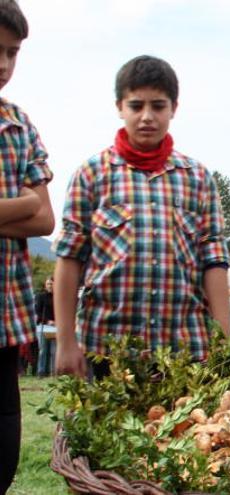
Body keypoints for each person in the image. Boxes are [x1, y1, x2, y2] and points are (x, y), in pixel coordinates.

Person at [54, 55, 230, 380]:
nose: (147, 117)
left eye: (158, 106)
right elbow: (69, 259)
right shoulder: (92, 175)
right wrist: (66, 341)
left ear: (174, 108)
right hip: (106, 347)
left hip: (183, 350)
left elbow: (214, 260)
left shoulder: (198, 179)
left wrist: (225, 338)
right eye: (136, 106)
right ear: (119, 107)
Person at [0, 1, 55, 490]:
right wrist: (17, 202)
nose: (3, 64)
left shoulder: (18, 124)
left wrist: (24, 208)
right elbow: (29, 207)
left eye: (12, 53)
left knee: (3, 457)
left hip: (3, 322)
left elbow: (44, 217)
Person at [35, 276, 56, 376]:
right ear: (45, 285)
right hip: (43, 326)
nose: (50, 286)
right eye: (48, 284)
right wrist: (48, 321)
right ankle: (41, 372)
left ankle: (54, 372)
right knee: (43, 350)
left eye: (52, 284)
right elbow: (37, 312)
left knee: (54, 350)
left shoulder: (58, 297)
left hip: (56, 327)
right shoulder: (41, 296)